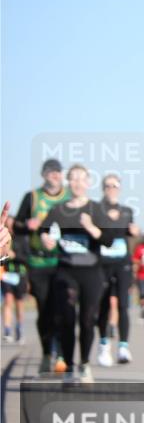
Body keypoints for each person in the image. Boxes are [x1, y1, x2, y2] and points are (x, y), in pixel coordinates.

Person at [39, 164, 114, 384]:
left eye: (82, 179)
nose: (78, 183)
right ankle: (70, 367)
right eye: (73, 179)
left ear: (88, 183)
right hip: (66, 270)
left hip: (91, 271)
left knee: (87, 320)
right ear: (67, 182)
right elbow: (44, 230)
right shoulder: (59, 210)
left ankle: (84, 364)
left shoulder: (95, 209)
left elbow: (109, 239)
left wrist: (92, 229)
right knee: (67, 318)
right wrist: (46, 239)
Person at [13, 160, 71, 373]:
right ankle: (47, 353)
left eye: (58, 172)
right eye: (50, 172)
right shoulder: (32, 197)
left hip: (64, 261)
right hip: (38, 262)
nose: (55, 176)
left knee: (64, 309)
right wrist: (27, 225)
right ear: (43, 175)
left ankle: (63, 355)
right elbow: (16, 225)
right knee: (45, 310)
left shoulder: (70, 196)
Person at [95, 174, 139, 365]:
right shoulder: (95, 210)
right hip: (102, 262)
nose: (111, 188)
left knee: (123, 305)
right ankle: (104, 346)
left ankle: (123, 347)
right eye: (108, 185)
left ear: (120, 188)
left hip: (122, 263)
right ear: (103, 188)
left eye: (115, 185)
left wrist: (133, 230)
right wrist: (109, 220)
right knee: (103, 305)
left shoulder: (127, 210)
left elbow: (129, 230)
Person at [2, 240, 28, 344]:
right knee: (8, 300)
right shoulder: (3, 237)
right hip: (7, 275)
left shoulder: (23, 238)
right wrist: (4, 255)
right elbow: (1, 261)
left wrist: (15, 255)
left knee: (19, 303)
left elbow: (27, 258)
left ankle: (19, 328)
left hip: (20, 275)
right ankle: (7, 330)